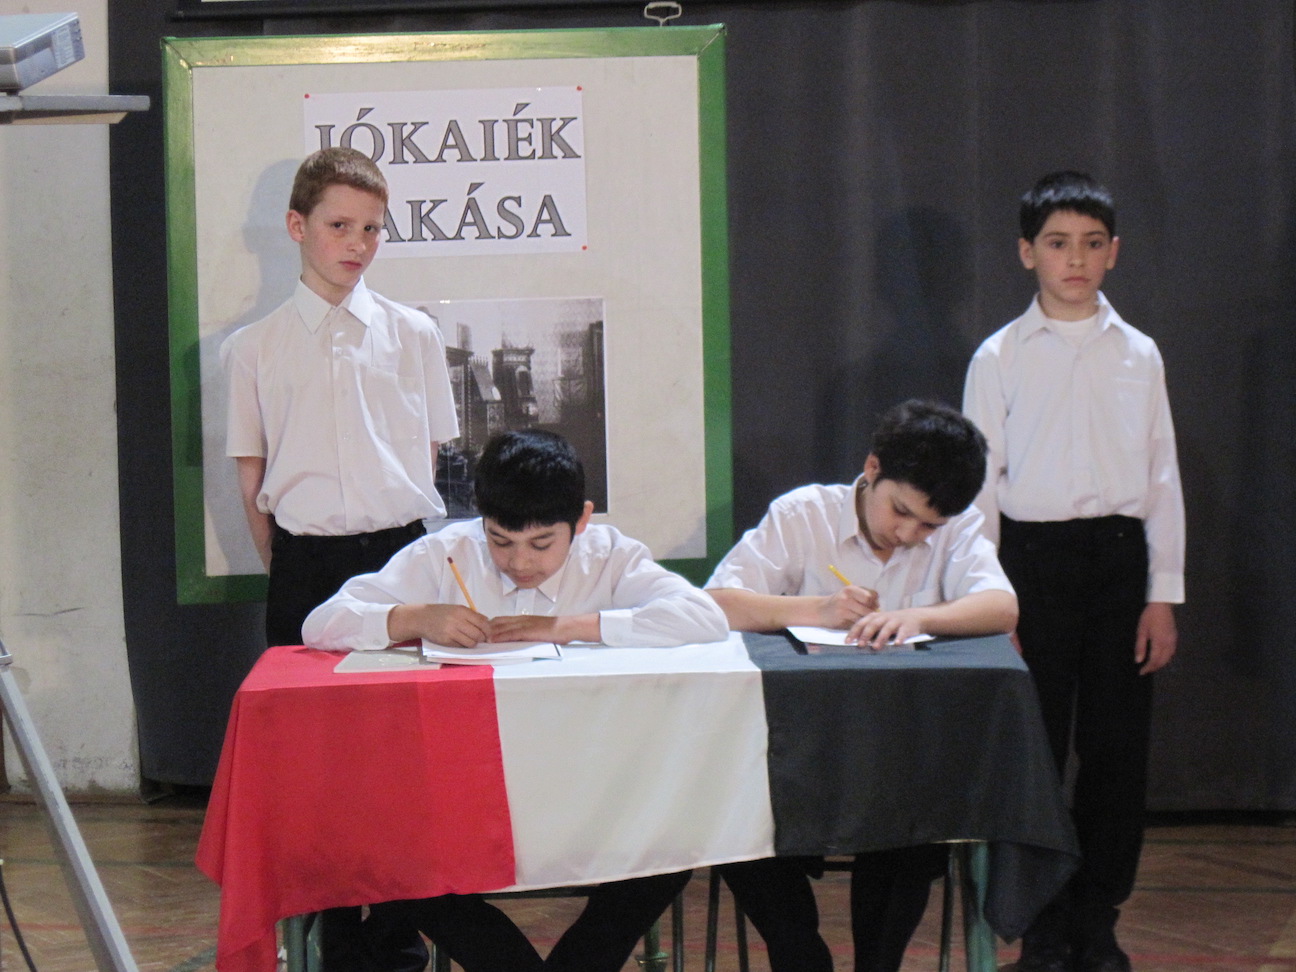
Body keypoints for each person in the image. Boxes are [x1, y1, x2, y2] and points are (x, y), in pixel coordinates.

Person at [304, 428, 730, 972]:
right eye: (500, 541)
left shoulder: (610, 556)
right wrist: (412, 617)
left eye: (542, 544)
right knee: (391, 850)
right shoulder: (445, 553)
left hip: (592, 787)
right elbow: (321, 623)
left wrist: (567, 626)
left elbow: (703, 618)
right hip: (465, 790)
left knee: (671, 850)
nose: (520, 562)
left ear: (581, 520)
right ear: (481, 521)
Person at [221, 146, 459, 972]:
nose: (357, 244)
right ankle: (332, 929)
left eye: (372, 229)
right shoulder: (253, 348)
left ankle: (397, 931)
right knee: (316, 767)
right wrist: (290, 566)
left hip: (399, 560)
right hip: (306, 567)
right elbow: (252, 479)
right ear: (297, 227)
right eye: (339, 226)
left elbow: (428, 453)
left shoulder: (414, 334)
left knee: (401, 760)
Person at [704, 399, 1018, 972]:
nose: (908, 534)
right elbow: (717, 603)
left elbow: (1001, 607)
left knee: (916, 820)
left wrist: (917, 617)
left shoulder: (958, 528)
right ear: (872, 468)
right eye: (900, 511)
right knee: (731, 811)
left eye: (928, 526)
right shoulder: (804, 514)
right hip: (793, 746)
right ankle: (803, 958)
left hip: (900, 751)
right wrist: (816, 609)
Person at [963, 171, 1185, 972]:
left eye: (1092, 243)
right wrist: (991, 601)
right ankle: (1042, 925)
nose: (1076, 259)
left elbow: (1162, 478)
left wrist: (1161, 596)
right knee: (1036, 753)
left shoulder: (1139, 354)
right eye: (1058, 243)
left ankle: (1098, 919)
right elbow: (980, 493)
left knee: (1117, 754)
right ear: (1028, 253)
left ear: (1114, 252)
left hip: (1120, 562)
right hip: (1030, 565)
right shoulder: (999, 356)